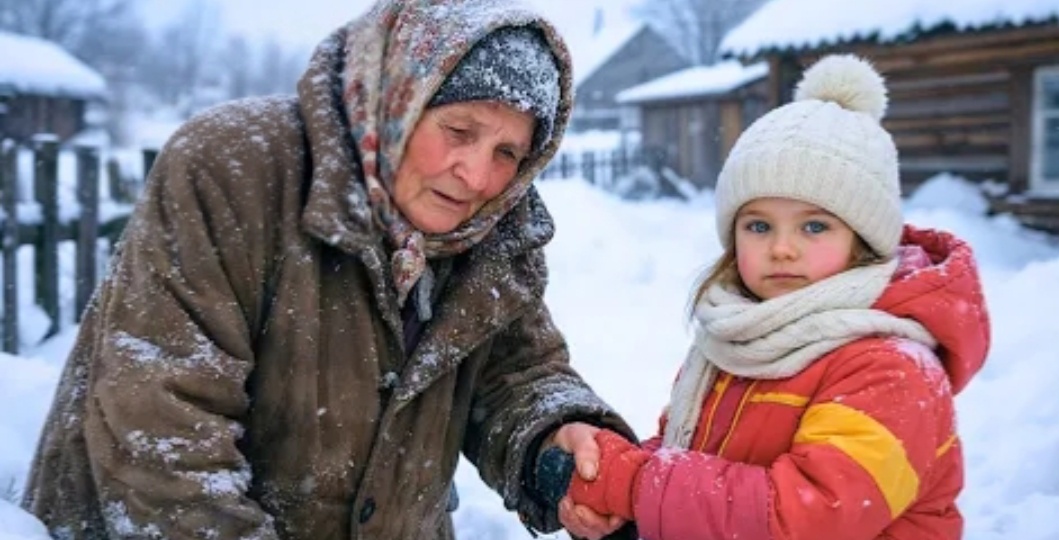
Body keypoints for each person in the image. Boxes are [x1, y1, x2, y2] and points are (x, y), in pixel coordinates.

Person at [21, 0, 635, 538]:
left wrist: (556, 438)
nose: (476, 176)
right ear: (398, 97)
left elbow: (515, 375)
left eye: (508, 152)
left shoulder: (493, 230)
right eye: (457, 130)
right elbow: (163, 433)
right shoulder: (233, 170)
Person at [562, 54, 991, 540]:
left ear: (864, 241)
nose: (782, 248)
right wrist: (617, 500)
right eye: (759, 225)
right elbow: (686, 451)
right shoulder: (735, 337)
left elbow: (805, 517)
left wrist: (635, 484)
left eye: (814, 225)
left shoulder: (892, 370)